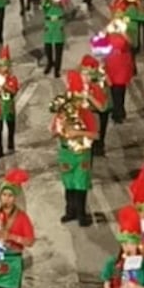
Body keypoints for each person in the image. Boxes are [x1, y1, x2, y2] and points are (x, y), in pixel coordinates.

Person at [53, 71, 98, 226]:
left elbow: (95, 135)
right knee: (69, 183)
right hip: (66, 152)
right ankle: (70, 211)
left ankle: (81, 214)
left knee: (81, 184)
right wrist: (61, 129)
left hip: (82, 153)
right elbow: (53, 132)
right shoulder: (61, 115)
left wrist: (78, 133)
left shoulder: (86, 114)